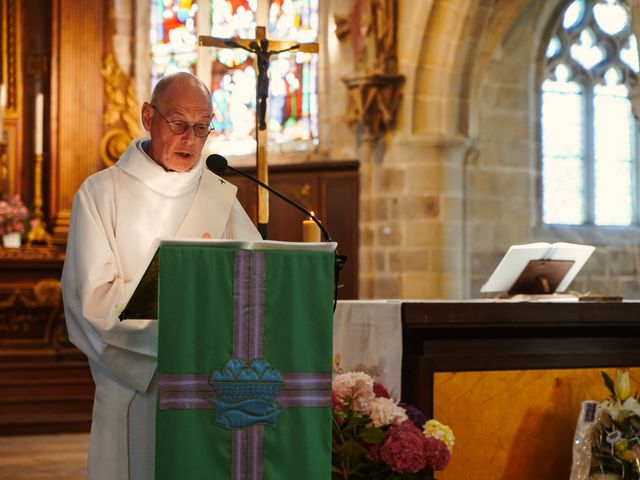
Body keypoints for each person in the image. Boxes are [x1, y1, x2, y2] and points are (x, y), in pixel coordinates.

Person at [61, 72, 261, 480]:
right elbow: (91, 301)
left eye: (202, 127)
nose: (191, 138)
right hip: (138, 386)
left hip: (210, 382)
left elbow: (255, 280)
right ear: (147, 117)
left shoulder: (218, 195)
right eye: (178, 123)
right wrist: (176, 329)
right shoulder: (101, 194)